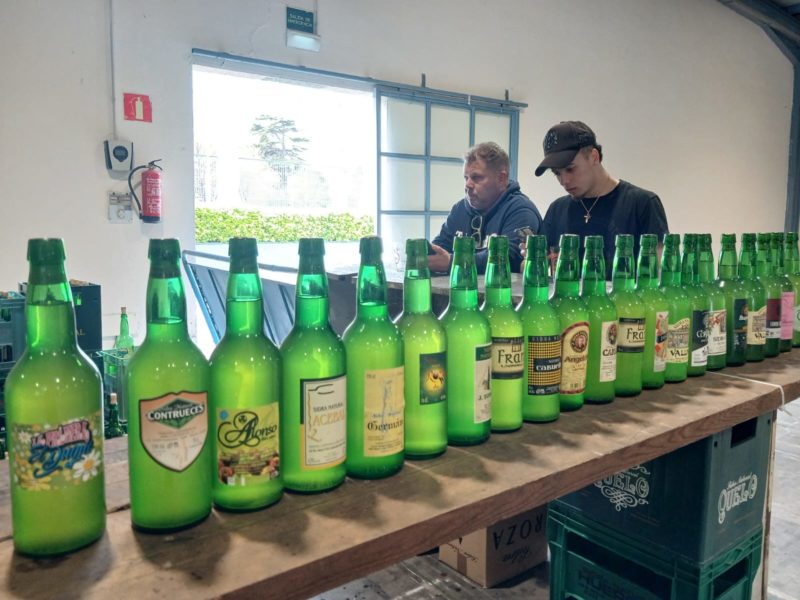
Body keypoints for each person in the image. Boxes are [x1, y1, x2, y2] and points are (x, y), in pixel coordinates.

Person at [534, 121, 669, 279]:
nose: (564, 181)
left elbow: (658, 275)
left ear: (594, 157)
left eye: (570, 169)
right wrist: (529, 260)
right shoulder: (557, 209)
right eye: (557, 173)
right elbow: (539, 266)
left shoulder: (642, 204)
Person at [430, 142, 542, 274]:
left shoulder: (521, 211)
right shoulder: (459, 209)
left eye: (476, 178)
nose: (468, 185)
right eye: (466, 178)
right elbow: (441, 246)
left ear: (501, 178)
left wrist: (452, 262)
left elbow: (509, 258)